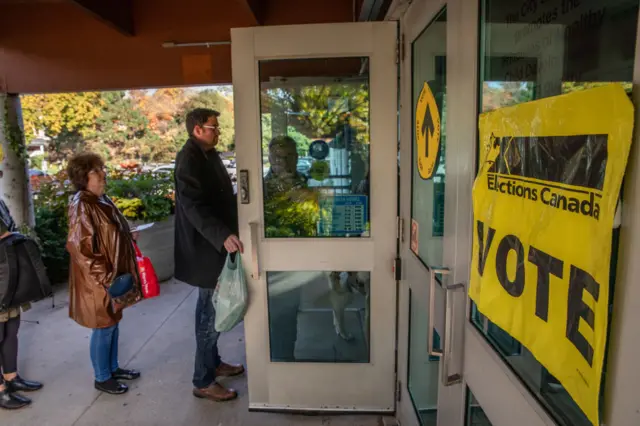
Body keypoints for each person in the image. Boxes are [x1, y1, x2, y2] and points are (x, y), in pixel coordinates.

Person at [174, 108, 245, 402]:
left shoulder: (208, 154)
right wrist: (222, 235)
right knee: (209, 314)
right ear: (197, 129)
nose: (218, 131)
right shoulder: (188, 159)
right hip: (205, 249)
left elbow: (219, 197)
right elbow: (194, 207)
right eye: (213, 127)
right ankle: (203, 380)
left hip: (213, 246)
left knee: (210, 309)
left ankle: (213, 363)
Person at [66, 153, 143, 395]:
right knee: (104, 326)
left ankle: (112, 369)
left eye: (102, 168)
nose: (103, 174)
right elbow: (81, 248)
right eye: (96, 170)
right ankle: (102, 377)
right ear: (83, 177)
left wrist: (126, 235)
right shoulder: (83, 204)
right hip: (98, 280)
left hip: (109, 276)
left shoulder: (100, 200)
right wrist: (108, 278)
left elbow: (106, 235)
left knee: (113, 322)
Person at [0, 200, 42, 410]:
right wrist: (17, 238)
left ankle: (11, 377)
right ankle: (0, 391)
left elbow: (10, 227)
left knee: (11, 329)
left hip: (6, 275)